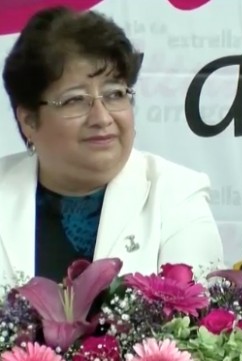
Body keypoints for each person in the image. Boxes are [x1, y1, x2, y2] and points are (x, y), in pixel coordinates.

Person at [0, 6, 224, 284]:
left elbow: (195, 307)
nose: (102, 118)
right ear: (29, 120)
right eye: (75, 100)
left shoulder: (176, 195)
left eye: (115, 94)